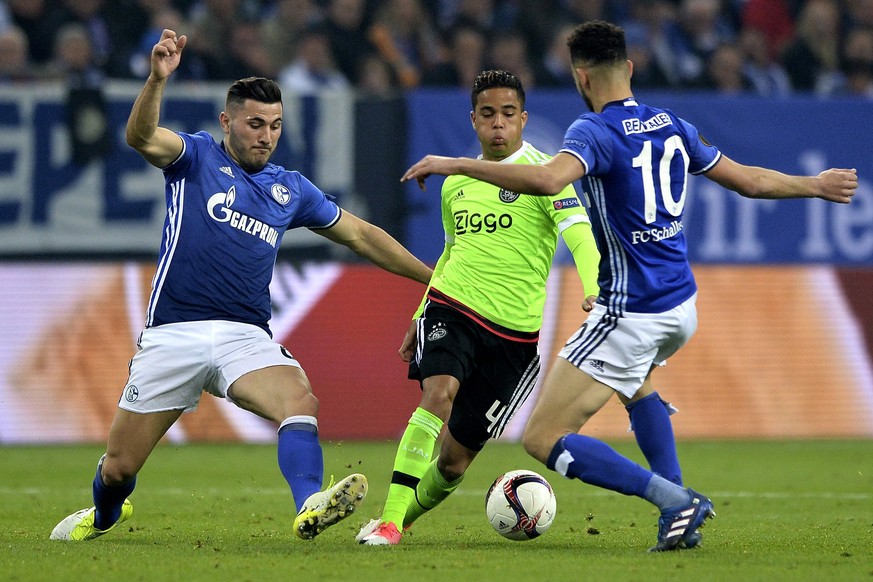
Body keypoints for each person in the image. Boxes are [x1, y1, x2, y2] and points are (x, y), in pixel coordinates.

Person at [401, 20, 857, 551]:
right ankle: (678, 513)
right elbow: (749, 182)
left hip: (631, 309)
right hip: (681, 305)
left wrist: (455, 162)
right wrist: (816, 186)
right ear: (630, 68)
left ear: (580, 77)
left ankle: (672, 500)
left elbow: (548, 180)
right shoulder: (671, 124)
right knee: (635, 385)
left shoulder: (592, 131)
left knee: (541, 437)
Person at [49, 29, 433, 543]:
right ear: (227, 121)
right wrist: (156, 80)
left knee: (300, 403)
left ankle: (309, 505)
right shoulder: (196, 157)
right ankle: (103, 515)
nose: (266, 136)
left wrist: (434, 277)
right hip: (173, 335)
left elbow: (360, 234)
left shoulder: (289, 189)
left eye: (275, 126)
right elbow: (141, 137)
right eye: (255, 124)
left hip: (243, 337)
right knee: (118, 469)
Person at [358, 70, 600, 545]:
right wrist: (419, 314)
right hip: (455, 307)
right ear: (473, 120)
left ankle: (398, 522)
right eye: (488, 114)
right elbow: (451, 255)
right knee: (438, 394)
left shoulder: (547, 175)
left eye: (508, 114)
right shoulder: (457, 185)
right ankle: (388, 520)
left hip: (515, 338)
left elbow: (580, 234)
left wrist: (593, 283)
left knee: (453, 462)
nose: (498, 124)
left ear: (524, 119)